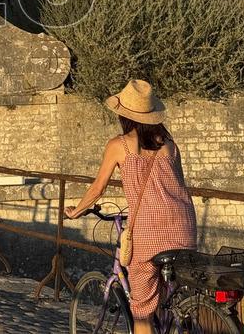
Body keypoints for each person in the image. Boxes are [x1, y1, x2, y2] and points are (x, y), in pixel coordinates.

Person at [65, 79, 197, 334]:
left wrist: (76, 211)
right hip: (184, 228)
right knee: (174, 295)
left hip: (150, 233)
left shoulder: (119, 145)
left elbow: (97, 189)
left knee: (143, 311)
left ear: (124, 115)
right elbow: (178, 184)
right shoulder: (169, 144)